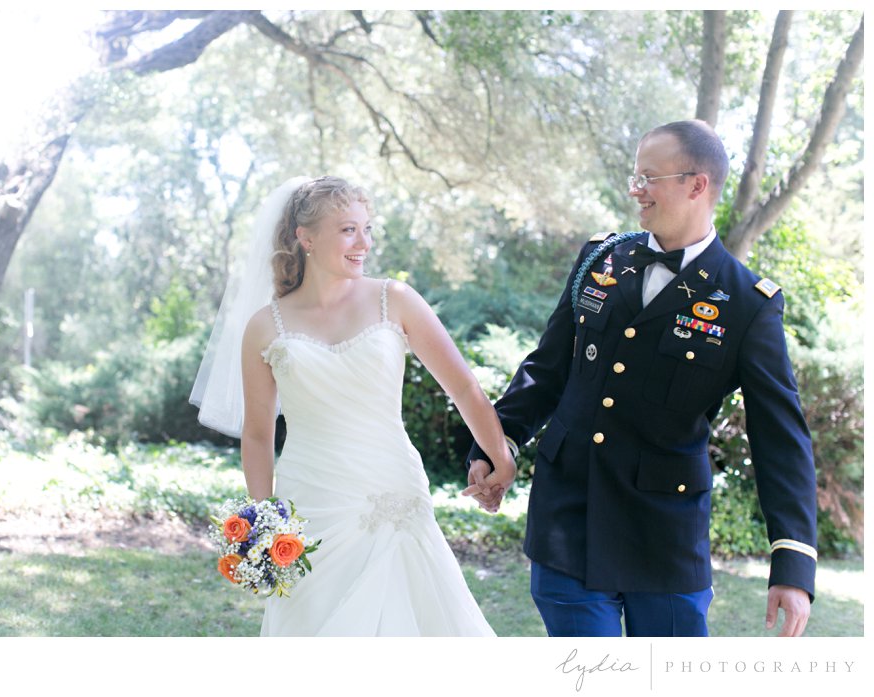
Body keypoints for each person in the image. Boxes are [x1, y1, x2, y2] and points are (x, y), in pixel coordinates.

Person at [466, 120, 817, 638]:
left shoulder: (747, 304)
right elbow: (547, 371)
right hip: (568, 518)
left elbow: (780, 437)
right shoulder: (599, 259)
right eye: (636, 176)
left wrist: (793, 562)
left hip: (666, 539)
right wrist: (493, 445)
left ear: (696, 185)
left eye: (649, 177)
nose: (636, 190)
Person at [191, 175, 515, 636]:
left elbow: (464, 388)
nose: (364, 242)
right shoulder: (265, 326)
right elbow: (259, 434)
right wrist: (264, 520)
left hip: (391, 485)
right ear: (305, 238)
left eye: (368, 228)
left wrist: (500, 457)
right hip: (310, 499)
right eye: (348, 229)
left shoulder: (395, 300)